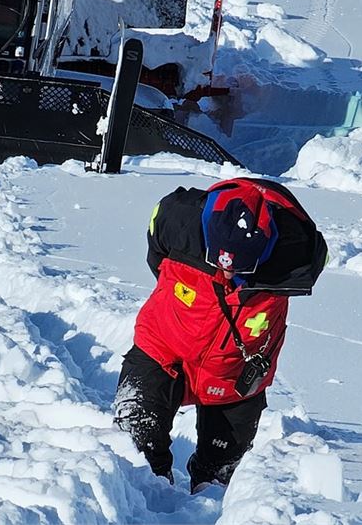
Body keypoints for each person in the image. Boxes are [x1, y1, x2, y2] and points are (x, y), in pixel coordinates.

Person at [114, 177, 327, 493]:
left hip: (236, 369)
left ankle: (208, 495)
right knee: (135, 444)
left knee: (220, 472)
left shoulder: (298, 254)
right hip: (163, 343)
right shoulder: (179, 220)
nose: (227, 273)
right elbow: (156, 252)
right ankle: (148, 497)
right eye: (219, 261)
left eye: (240, 266)